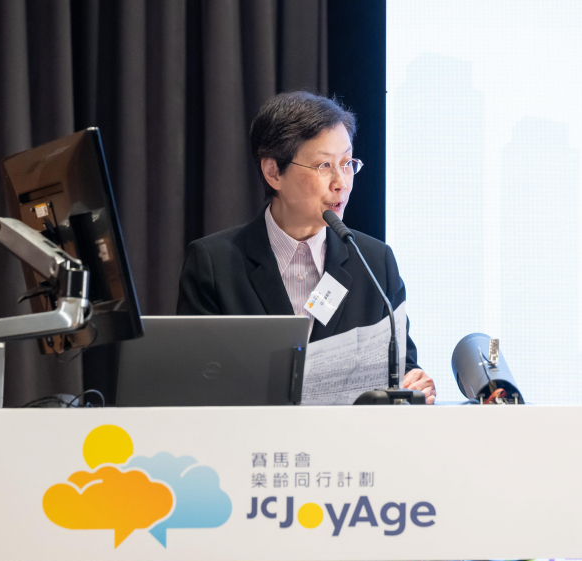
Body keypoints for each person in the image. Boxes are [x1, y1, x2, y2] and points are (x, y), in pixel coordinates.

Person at [177, 91, 436, 403]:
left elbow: (401, 368)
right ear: (274, 172)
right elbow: (195, 380)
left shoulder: (375, 261)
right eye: (324, 165)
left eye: (347, 163)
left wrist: (415, 382)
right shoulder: (214, 263)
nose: (341, 182)